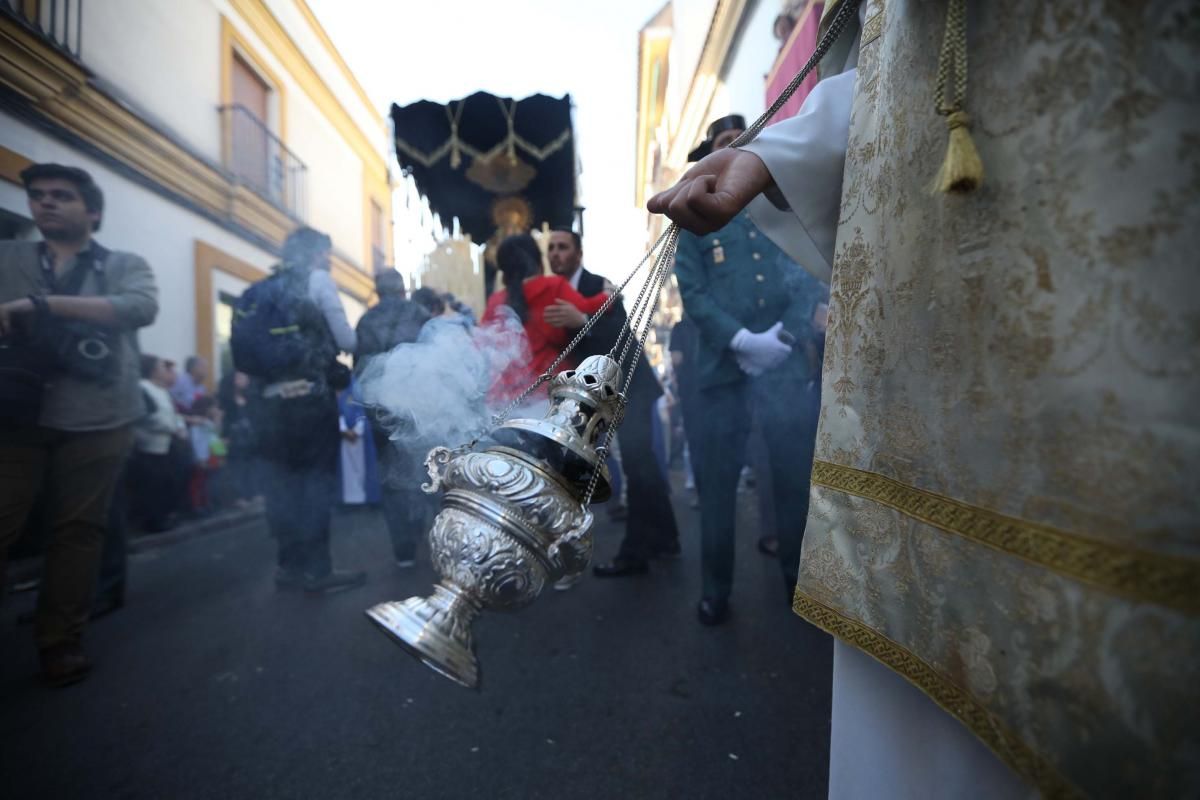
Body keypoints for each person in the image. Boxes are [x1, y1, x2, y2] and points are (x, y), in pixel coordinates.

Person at [649, 1, 1199, 797]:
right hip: (893, 334)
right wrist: (776, 156)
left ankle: (789, 585)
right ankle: (717, 591)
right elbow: (901, 60)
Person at [0, 163, 158, 686]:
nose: (45, 203)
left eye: (61, 196)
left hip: (99, 416)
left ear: (91, 211)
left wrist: (42, 305)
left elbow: (139, 307)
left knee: (77, 533)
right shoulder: (8, 257)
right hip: (15, 413)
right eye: (38, 196)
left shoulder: (123, 263)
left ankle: (59, 641)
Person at [668, 114, 823, 625]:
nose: (734, 147)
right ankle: (715, 590)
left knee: (792, 484)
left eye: (741, 140)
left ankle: (798, 585)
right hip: (722, 370)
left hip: (781, 366)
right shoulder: (693, 220)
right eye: (723, 143)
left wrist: (783, 336)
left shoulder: (777, 206)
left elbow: (808, 275)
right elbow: (693, 292)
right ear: (710, 155)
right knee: (718, 488)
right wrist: (740, 339)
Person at [541, 228, 681, 578]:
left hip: (629, 386)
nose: (555, 254)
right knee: (642, 465)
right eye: (551, 249)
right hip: (599, 394)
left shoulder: (597, 286)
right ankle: (666, 539)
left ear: (578, 253)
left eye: (562, 247)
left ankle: (635, 553)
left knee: (638, 467)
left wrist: (584, 322)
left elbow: (622, 335)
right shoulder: (553, 292)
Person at [247, 227, 365, 594]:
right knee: (315, 483)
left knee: (282, 485)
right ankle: (318, 571)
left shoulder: (267, 287)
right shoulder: (318, 281)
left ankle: (288, 567)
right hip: (309, 401)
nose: (328, 260)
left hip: (268, 403)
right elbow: (346, 339)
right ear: (316, 254)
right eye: (325, 254)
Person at [354, 270, 432, 567]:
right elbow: (434, 361)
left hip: (379, 409)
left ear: (378, 290)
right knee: (424, 467)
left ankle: (404, 550)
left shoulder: (366, 320)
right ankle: (425, 531)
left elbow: (360, 369)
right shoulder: (421, 314)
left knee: (390, 477)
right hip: (417, 406)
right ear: (403, 289)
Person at [481, 233, 609, 404]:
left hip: (504, 400)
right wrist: (607, 296)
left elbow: (482, 345)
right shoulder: (554, 287)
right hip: (547, 397)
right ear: (538, 260)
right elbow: (587, 309)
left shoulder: (495, 301)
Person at [131, 354, 188, 532]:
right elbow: (148, 416)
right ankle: (152, 523)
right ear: (153, 370)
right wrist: (172, 427)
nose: (166, 371)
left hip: (165, 445)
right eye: (163, 368)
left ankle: (165, 517)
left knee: (165, 484)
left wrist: (180, 427)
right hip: (148, 446)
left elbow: (172, 414)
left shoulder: (162, 391)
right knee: (151, 487)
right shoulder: (142, 388)